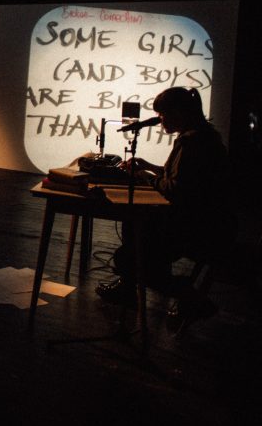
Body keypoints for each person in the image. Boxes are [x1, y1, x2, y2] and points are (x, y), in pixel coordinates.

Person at [95, 87, 236, 317]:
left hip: (200, 230)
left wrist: (146, 177)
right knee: (134, 231)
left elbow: (176, 188)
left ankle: (189, 297)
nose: (160, 121)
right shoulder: (202, 136)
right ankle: (131, 288)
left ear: (179, 113)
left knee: (130, 254)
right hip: (211, 222)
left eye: (163, 115)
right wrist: (150, 167)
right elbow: (182, 177)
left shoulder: (192, 143)